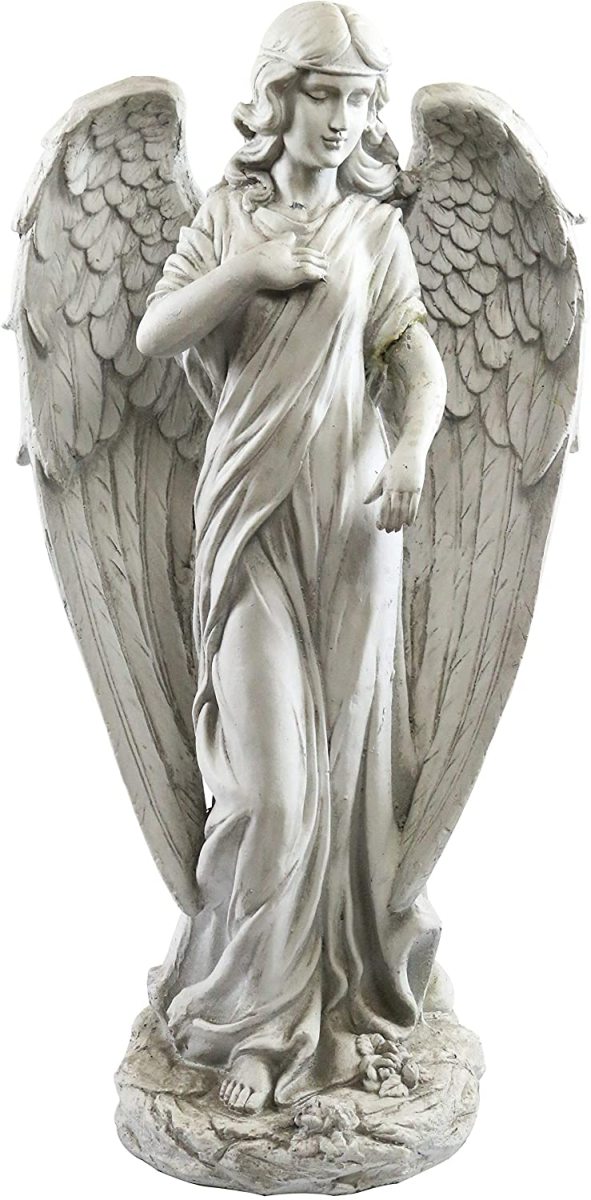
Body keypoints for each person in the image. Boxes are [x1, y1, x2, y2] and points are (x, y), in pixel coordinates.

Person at [137, 1, 447, 1114]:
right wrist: (248, 271)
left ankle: (327, 1010)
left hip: (354, 527)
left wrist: (410, 449)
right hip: (250, 526)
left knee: (345, 781)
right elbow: (153, 332)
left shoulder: (375, 231)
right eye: (323, 94)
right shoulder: (228, 216)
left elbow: (417, 360)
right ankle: (248, 1024)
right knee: (271, 788)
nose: (342, 117)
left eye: (359, 99)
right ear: (279, 98)